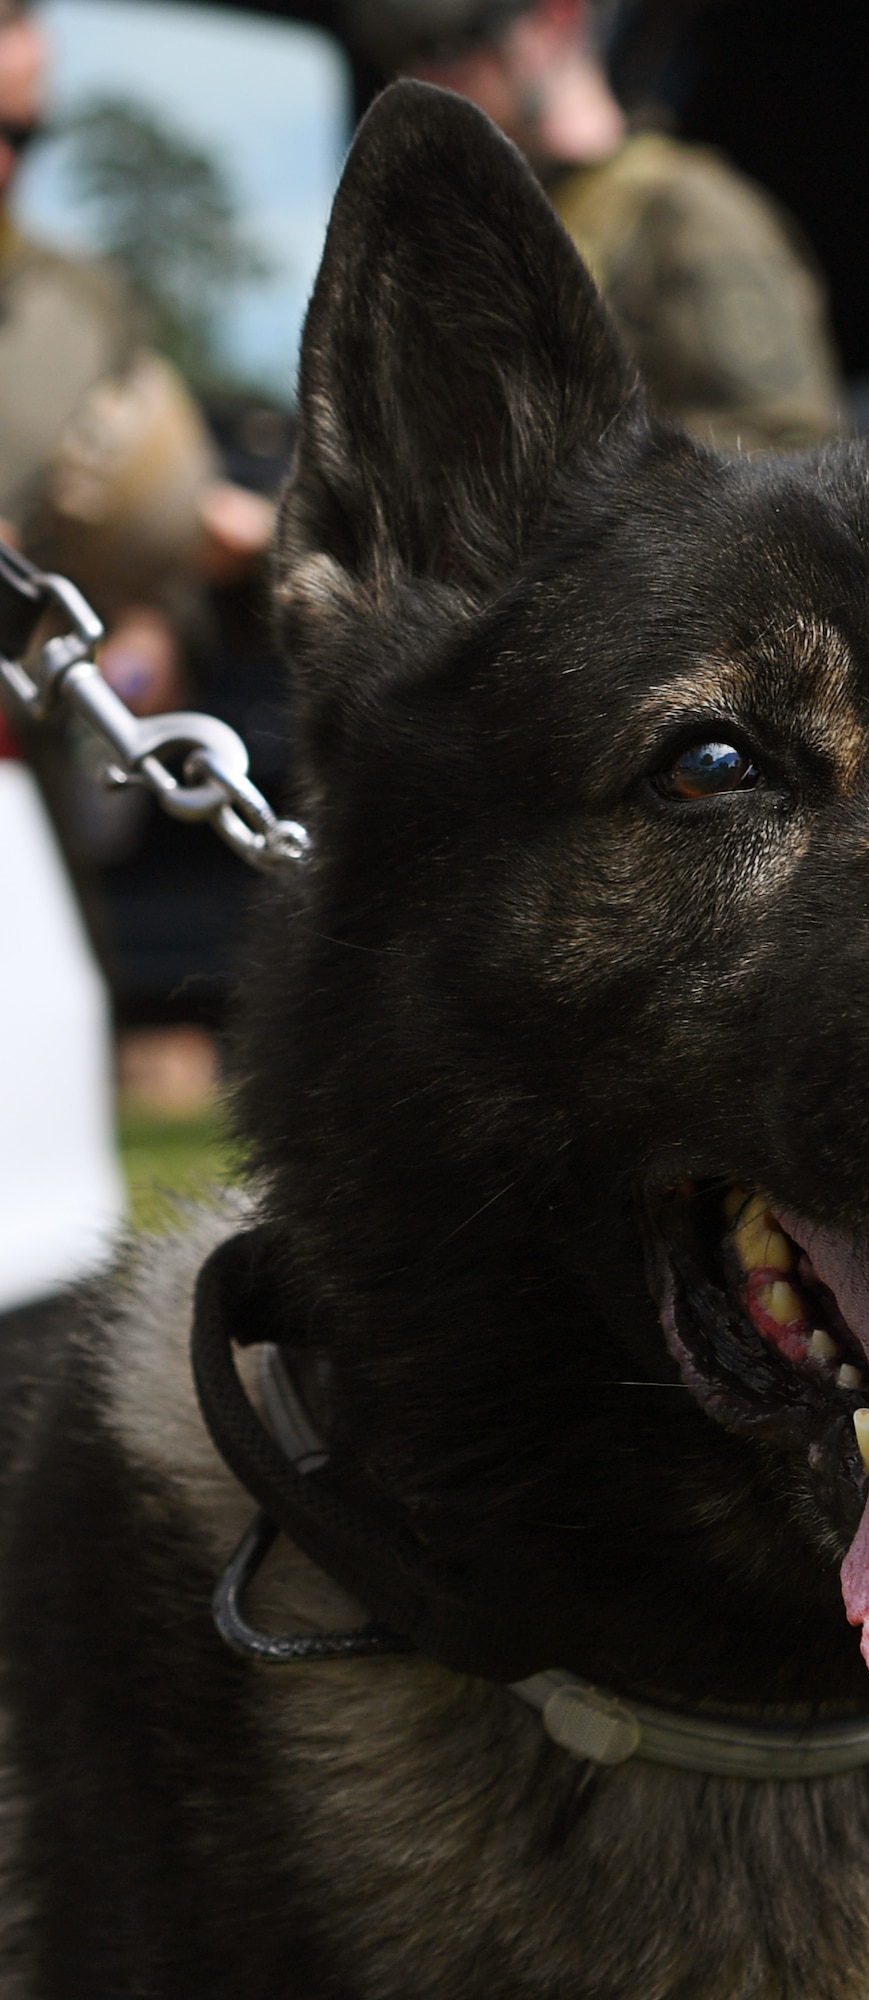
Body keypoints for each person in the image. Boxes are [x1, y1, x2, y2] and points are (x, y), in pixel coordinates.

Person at [0, 0, 269, 1308]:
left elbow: (155, 610)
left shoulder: (78, 308)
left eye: (23, 127)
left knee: (46, 1251)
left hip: (20, 813)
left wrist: (153, 635)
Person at [345, 0, 844, 450]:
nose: (426, 76)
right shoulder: (493, 235)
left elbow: (788, 443)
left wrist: (583, 495)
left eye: (448, 46)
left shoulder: (689, 211)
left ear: (557, 19)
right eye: (404, 56)